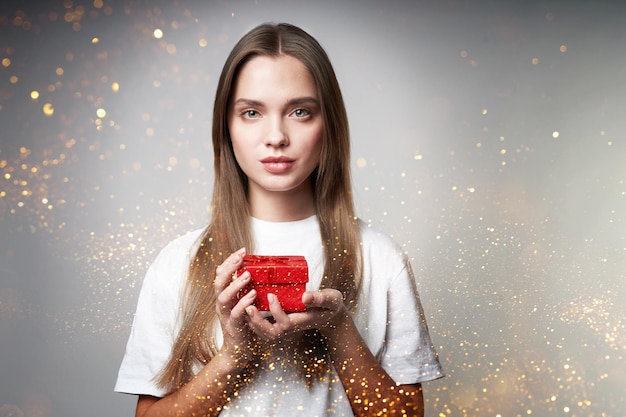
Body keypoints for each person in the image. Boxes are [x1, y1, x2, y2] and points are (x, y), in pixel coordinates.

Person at [114, 22, 443, 417]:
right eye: (252, 112)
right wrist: (233, 358)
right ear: (227, 127)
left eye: (300, 112)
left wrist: (339, 330)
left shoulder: (381, 258)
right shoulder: (179, 262)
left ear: (329, 126)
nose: (276, 136)